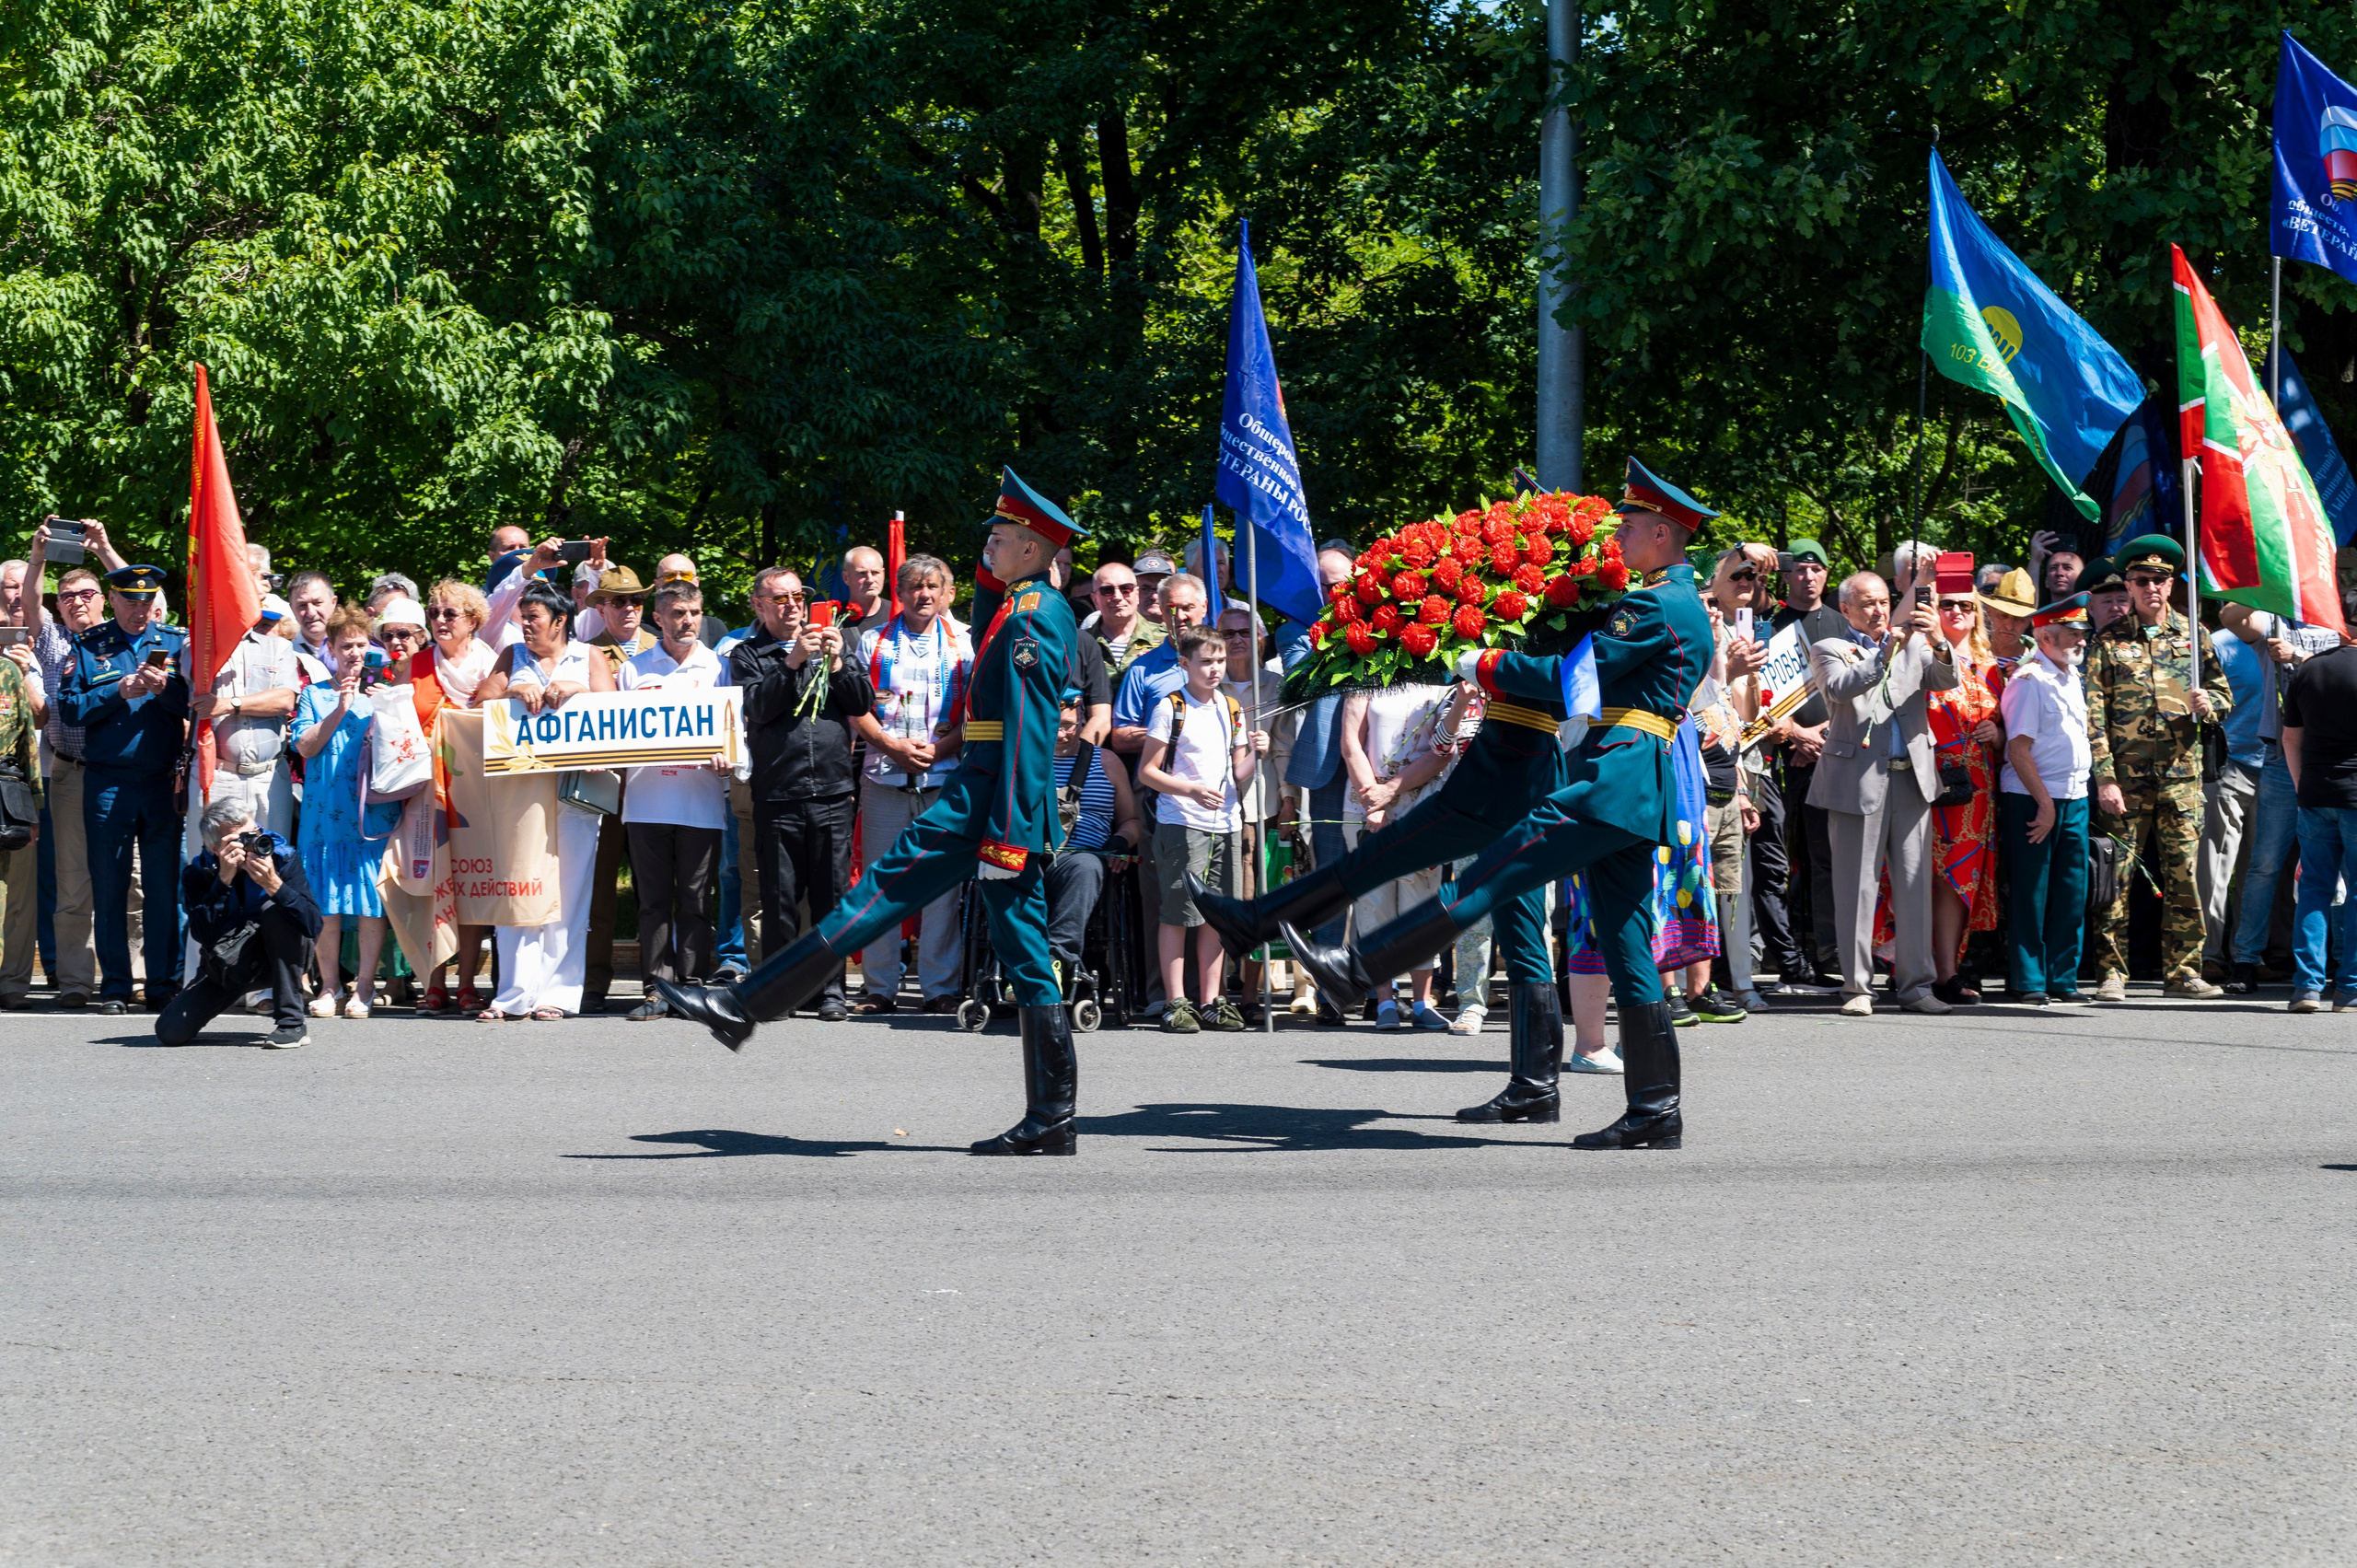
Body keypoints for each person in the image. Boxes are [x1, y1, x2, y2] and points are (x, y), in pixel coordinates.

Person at [657, 468, 1091, 1158]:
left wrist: (1007, 838)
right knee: (1028, 955)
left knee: (882, 888)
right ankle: (1053, 1116)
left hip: (989, 799)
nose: (990, 546)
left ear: (1035, 549)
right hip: (992, 795)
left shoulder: (1035, 615)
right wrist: (986, 577)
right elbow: (992, 642)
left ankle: (746, 1006)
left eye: (1002, 538)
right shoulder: (1023, 603)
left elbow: (1033, 735)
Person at [1284, 459, 1718, 1150]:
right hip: (1631, 779)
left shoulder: (1656, 604)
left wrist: (1480, 662)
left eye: (1632, 524)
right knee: (1626, 941)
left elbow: (1566, 679)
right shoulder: (1669, 600)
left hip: (1614, 779)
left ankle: (1357, 968)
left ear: (1663, 535)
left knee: (1493, 872)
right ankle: (1655, 1106)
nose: (1622, 534)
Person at [2084, 534, 2230, 1001]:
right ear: (2127, 585)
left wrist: (2211, 705)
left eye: (2160, 579)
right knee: (2118, 877)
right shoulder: (2106, 642)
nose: (2151, 586)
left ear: (2172, 585)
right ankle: (2112, 971)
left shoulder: (2195, 635)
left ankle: (2184, 971)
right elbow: (2094, 717)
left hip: (2181, 776)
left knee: (2184, 874)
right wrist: (2105, 777)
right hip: (2126, 780)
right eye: (2141, 579)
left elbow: (2224, 696)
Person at [1806, 570, 1957, 1017]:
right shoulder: (1830, 647)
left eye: (1883, 601)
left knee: (1914, 886)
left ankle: (1917, 986)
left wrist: (1941, 642)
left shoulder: (1913, 643)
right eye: (1867, 603)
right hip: (1856, 782)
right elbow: (1838, 688)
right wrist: (1885, 652)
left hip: (1911, 776)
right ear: (1847, 609)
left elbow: (1944, 681)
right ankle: (1857, 987)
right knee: (1856, 887)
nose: (1879, 610)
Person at [731, 565, 872, 1022]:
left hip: (831, 789)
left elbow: (861, 702)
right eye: (780, 599)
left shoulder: (835, 641)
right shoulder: (747, 654)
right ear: (758, 605)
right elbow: (756, 706)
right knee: (779, 899)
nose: (792, 606)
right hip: (778, 792)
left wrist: (836, 662)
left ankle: (831, 990)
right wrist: (792, 661)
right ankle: (779, 990)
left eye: (798, 597)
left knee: (831, 898)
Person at [473, 581, 617, 1017]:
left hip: (574, 792)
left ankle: (557, 994)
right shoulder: (512, 656)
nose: (524, 626)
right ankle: (513, 995)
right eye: (521, 618)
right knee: (519, 888)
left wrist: (579, 691)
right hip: (520, 795)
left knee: (569, 893)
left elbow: (617, 711)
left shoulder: (589, 656)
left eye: (533, 618)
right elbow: (478, 701)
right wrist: (510, 692)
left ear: (560, 620)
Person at [59, 564, 188, 1016]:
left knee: (161, 886)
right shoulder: (89, 646)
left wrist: (165, 689)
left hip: (160, 781)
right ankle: (114, 984)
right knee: (110, 886)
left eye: (147, 602)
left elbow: (196, 702)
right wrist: (119, 691)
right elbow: (70, 709)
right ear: (111, 601)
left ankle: (161, 984)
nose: (140, 611)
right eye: (131, 602)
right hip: (108, 781)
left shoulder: (175, 642)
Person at [848, 555, 971, 1014]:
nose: (924, 594)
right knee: (881, 883)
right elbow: (855, 706)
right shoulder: (871, 641)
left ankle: (940, 987)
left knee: (941, 886)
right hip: (884, 777)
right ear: (899, 593)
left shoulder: (965, 643)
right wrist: (889, 744)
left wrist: (941, 751)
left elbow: (975, 713)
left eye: (932, 586)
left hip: (943, 779)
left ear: (946, 592)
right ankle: (880, 986)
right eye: (915, 586)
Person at [1140, 625, 1270, 1032]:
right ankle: (1175, 1001)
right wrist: (1190, 790)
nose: (1215, 669)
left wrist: (1257, 753)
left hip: (1227, 822)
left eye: (1219, 661)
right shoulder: (1171, 707)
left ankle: (1212, 1000)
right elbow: (1147, 772)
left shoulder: (1229, 707)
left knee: (1217, 915)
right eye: (1206, 662)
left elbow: (1238, 772)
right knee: (1178, 913)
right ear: (1185, 664)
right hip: (1182, 822)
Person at [616, 578, 734, 1019]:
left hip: (700, 802)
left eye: (694, 614)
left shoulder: (719, 667)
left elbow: (733, 731)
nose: (687, 622)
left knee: (697, 900)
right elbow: (613, 735)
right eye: (678, 614)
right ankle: (656, 988)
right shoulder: (634, 669)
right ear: (658, 619)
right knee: (652, 903)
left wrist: (731, 761)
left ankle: (693, 986)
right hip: (646, 802)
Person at [22, 518, 126, 1009]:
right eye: (68, 597)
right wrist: (39, 556)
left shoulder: (122, 635)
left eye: (87, 594)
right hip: (68, 771)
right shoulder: (54, 642)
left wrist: (103, 549)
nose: (77, 602)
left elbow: (138, 589)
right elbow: (28, 603)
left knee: (135, 880)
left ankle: (137, 978)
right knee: (71, 882)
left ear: (104, 599)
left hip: (122, 772)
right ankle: (75, 981)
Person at [2219, 598, 2345, 993]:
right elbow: (2230, 618)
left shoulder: (2336, 627)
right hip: (2277, 757)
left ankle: (2340, 960)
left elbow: (2342, 675)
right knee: (2265, 863)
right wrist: (2258, 583)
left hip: (2329, 759)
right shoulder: (2272, 620)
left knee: (2336, 867)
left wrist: (2300, 657)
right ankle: (2245, 959)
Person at [289, 605, 402, 1017]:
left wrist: (384, 707)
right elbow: (304, 747)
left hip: (371, 816)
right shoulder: (315, 694)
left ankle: (366, 987)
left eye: (361, 644)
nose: (354, 653)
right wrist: (340, 707)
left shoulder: (386, 694)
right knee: (326, 903)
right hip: (324, 815)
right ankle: (330, 986)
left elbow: (405, 749)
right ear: (332, 651)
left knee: (371, 903)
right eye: (345, 646)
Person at [1336, 680, 1461, 1029]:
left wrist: (1391, 791)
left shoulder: (1441, 679)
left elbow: (1442, 750)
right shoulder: (1366, 677)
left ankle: (1422, 1001)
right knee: (1373, 901)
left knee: (1420, 900)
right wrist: (1371, 800)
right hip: (1365, 803)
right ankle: (1385, 999)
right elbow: (1351, 744)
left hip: (1420, 802)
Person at [155, 800, 320, 1048]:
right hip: (230, 963)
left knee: (275, 910)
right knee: (171, 1031)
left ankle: (291, 1023)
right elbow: (202, 934)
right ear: (214, 848)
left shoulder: (282, 857)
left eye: (254, 834)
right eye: (239, 840)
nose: (252, 844)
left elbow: (312, 925)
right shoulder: (199, 873)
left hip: (282, 954)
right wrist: (222, 881)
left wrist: (275, 885)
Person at [406, 579, 499, 1013]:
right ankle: (433, 981)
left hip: (474, 793)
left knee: (471, 885)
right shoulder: (417, 662)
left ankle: (466, 983)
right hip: (426, 791)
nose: (439, 621)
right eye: (434, 613)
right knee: (432, 883)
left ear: (473, 621)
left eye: (449, 614)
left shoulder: (492, 667)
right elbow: (402, 728)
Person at [1998, 595, 2095, 1005]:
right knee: (2031, 891)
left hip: (2074, 794)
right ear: (2046, 636)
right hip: (2034, 798)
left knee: (2072, 891)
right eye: (2074, 635)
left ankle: (2062, 977)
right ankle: (2029, 979)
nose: (2082, 642)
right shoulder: (2029, 681)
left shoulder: (2070, 675)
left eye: (2082, 635)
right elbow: (2018, 750)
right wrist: (2045, 804)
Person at [1916, 562, 2003, 1005]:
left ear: (1976, 613)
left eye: (1964, 606)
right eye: (1945, 604)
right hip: (1926, 783)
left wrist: (1998, 733)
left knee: (1958, 882)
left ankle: (1946, 971)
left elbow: (2012, 730)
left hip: (1974, 791)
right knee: (1921, 877)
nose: (1954, 612)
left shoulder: (1991, 668)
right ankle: (1916, 968)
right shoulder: (1919, 655)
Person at [1765, 537, 1845, 992]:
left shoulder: (1841, 623)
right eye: (1800, 569)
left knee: (1825, 858)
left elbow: (1856, 690)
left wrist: (1824, 736)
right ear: (1788, 575)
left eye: (1817, 570)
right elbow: (1756, 689)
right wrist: (1795, 732)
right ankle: (1787, 952)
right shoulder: (1769, 624)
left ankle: (1828, 950)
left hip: (1830, 757)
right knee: (1781, 860)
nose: (1808, 577)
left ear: (1826, 576)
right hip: (1781, 757)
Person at [2280, 590, 2357, 1011]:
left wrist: (2301, 785)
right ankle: (2349, 989)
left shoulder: (2310, 671)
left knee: (2314, 889)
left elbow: (2291, 738)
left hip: (2315, 793)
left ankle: (2306, 987)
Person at [192, 573, 302, 839]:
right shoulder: (199, 645)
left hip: (269, 777)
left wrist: (229, 704)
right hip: (218, 776)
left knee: (271, 865)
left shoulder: (279, 647)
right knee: (214, 871)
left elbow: (285, 699)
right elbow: (189, 677)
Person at [1047, 692, 1142, 988]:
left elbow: (1132, 821)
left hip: (1084, 855)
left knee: (1085, 868)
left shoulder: (1107, 762)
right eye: (1054, 725)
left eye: (1068, 725)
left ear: (1082, 722)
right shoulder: (1025, 759)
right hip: (1034, 849)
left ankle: (1055, 960)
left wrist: (1122, 840)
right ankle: (1021, 959)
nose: (1062, 734)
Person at [2198, 617, 2267, 981]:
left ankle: (2248, 956)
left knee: (2259, 869)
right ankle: (2210, 955)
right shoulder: (2219, 643)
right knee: (2217, 866)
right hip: (2229, 765)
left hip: (2273, 769)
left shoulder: (2283, 643)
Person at [1979, 567, 2038, 671]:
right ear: (1989, 612)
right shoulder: (1969, 655)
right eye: (2003, 616)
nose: (2009, 626)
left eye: (2019, 619)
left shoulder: (2044, 663)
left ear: (2029, 621)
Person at [284, 569, 337, 681]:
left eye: (317, 603)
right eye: (302, 605)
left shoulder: (353, 645)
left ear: (333, 603)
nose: (311, 612)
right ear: (291, 608)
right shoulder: (284, 650)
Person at [840, 545, 894, 645]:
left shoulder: (898, 614)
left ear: (883, 574)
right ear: (846, 578)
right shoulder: (833, 619)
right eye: (862, 573)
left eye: (875, 573)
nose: (870, 580)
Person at [1132, 549, 1176, 627]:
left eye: (1160, 588)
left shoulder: (1186, 633)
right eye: (1145, 589)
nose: (1154, 596)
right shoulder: (1119, 634)